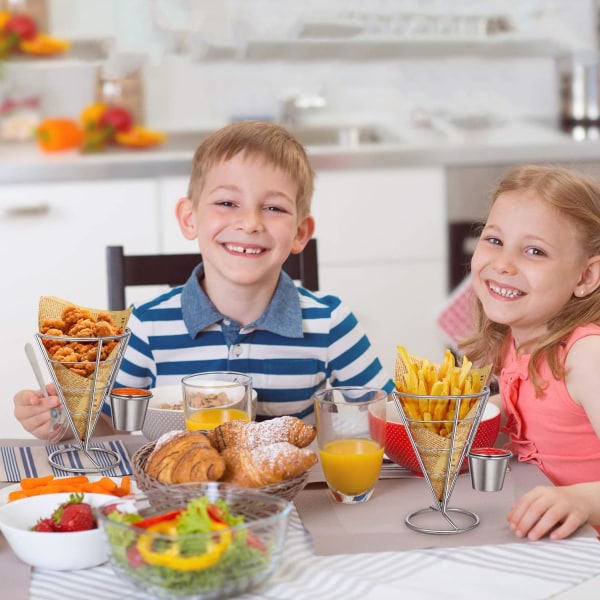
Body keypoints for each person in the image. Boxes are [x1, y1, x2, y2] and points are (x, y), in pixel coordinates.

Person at [14, 120, 394, 441]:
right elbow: (109, 421)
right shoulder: (146, 326)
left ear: (299, 232)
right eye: (227, 203)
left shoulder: (331, 323)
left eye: (274, 208)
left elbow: (389, 415)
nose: (250, 223)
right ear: (189, 218)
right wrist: (60, 421)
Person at [461, 164, 600, 541]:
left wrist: (583, 500)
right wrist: (474, 414)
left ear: (585, 277)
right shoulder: (517, 337)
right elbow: (539, 410)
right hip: (541, 538)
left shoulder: (586, 357)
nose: (504, 264)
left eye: (534, 251)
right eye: (494, 240)